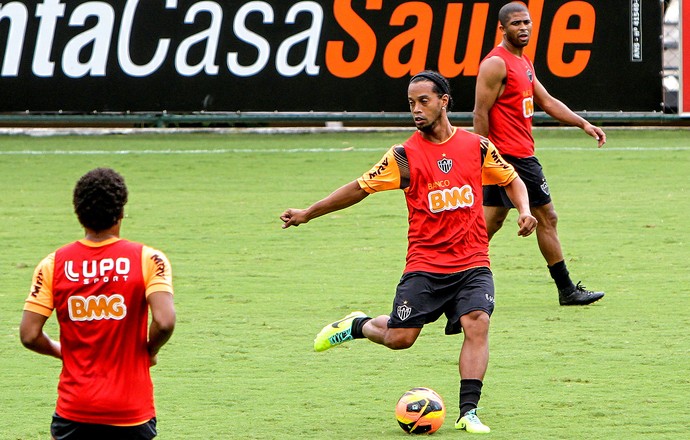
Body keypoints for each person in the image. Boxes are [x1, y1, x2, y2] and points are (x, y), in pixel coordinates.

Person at [280, 70, 537, 434]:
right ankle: (356, 324)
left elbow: (511, 178)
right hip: (426, 265)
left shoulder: (476, 146)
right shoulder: (404, 157)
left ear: (444, 101)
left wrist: (525, 211)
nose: (416, 110)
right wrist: (309, 212)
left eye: (424, 101)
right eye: (411, 103)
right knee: (401, 339)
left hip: (473, 261)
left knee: (476, 322)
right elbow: (359, 188)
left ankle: (469, 411)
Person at [20, 167, 176, 440]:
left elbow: (29, 335)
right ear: (120, 212)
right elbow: (164, 322)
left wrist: (60, 351)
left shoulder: (53, 264)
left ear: (78, 213)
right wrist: (149, 350)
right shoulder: (150, 259)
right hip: (131, 411)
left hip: (74, 410)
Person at [473, 1, 606, 306]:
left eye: (527, 23)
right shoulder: (496, 63)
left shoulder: (523, 61)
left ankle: (448, 279)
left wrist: (582, 123)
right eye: (516, 24)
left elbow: (545, 100)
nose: (523, 28)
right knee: (548, 217)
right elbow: (480, 112)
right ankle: (567, 290)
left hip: (507, 156)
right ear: (502, 28)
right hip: (513, 157)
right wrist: (481, 155)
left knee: (487, 225)